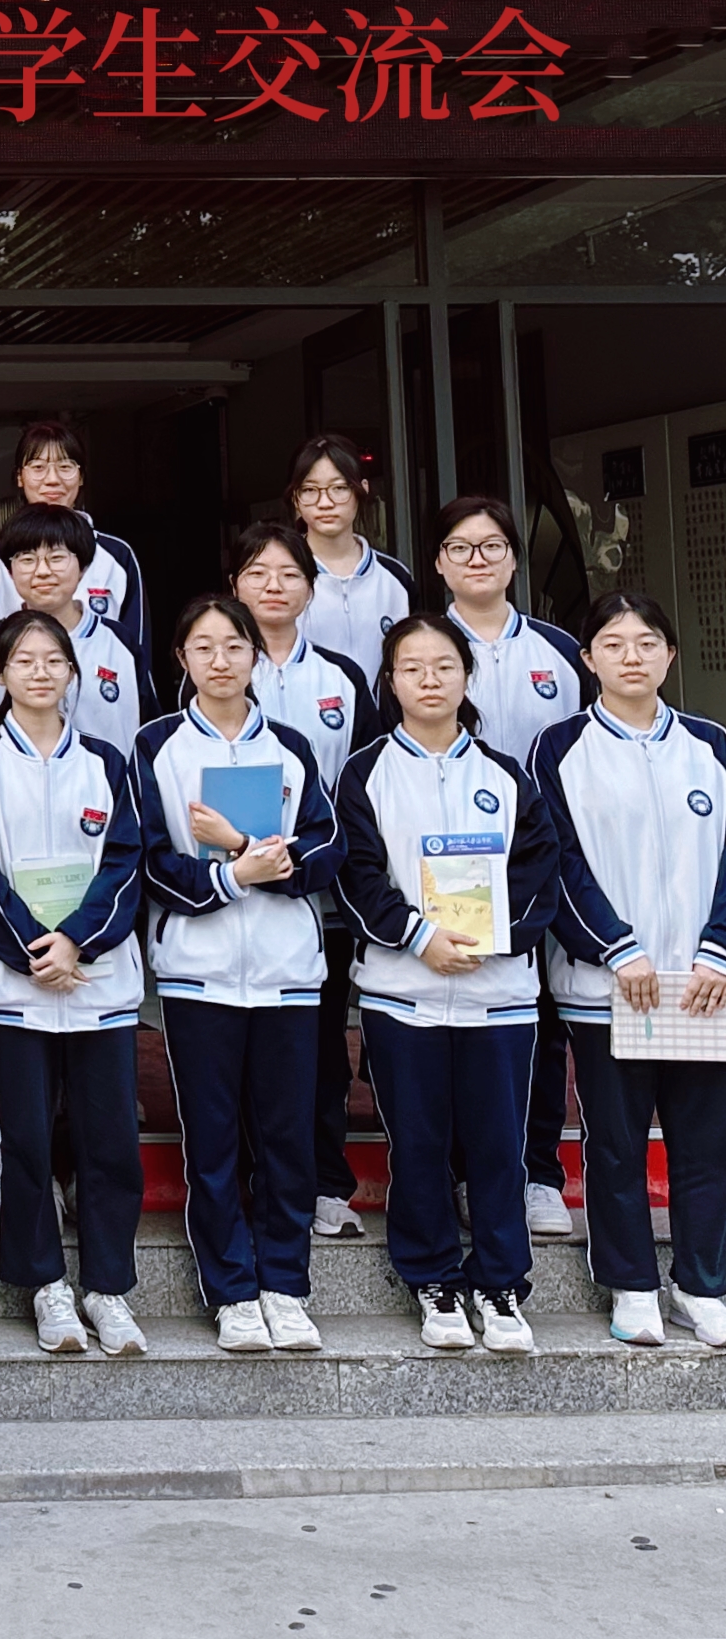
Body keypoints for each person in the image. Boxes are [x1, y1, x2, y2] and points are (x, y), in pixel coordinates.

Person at [335, 615, 560, 1354]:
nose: (428, 680)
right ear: (390, 681)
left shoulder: (506, 775)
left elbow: (538, 872)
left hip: (498, 996)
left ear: (466, 677)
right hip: (403, 992)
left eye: (443, 666)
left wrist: (488, 937)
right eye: (411, 667)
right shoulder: (364, 772)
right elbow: (357, 872)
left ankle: (500, 1283)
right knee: (419, 1143)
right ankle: (431, 1276)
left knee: (498, 1147)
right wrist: (419, 936)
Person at [133, 596, 344, 1354]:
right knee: (213, 1142)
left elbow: (327, 846)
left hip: (287, 972)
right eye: (203, 647)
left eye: (233, 645)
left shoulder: (290, 745)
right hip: (198, 974)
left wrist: (245, 849)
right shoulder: (156, 745)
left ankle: (285, 1285)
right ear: (181, 659)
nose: (219, 660)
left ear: (256, 655)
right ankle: (230, 1291)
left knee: (286, 1139)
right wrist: (232, 875)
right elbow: (150, 858)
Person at [531, 592, 726, 1349]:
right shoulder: (559, 748)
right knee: (614, 1143)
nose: (631, 657)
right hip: (607, 988)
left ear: (670, 655)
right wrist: (614, 946)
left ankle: (702, 1283)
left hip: (700, 987)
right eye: (612, 644)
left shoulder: (710, 745)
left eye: (646, 642)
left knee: (704, 1143)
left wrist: (716, 948)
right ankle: (632, 1283)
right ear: (587, 659)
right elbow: (556, 861)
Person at [0, 611, 148, 1358]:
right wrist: (34, 949)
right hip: (14, 985)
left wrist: (76, 941)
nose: (39, 671)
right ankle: (44, 1284)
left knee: (110, 1142)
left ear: (72, 672)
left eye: (52, 659)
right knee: (28, 1141)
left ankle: (107, 1285)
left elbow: (125, 860)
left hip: (98, 981)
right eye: (23, 660)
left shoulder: (106, 760)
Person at [435, 493, 596, 1243]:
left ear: (512, 559)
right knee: (454, 1023)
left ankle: (537, 1173)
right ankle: (467, 1170)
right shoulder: (422, 647)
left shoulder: (560, 652)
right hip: (448, 863)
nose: (477, 559)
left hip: (542, 859)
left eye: (491, 546)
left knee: (540, 1022)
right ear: (440, 563)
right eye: (461, 547)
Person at [227, 522, 380, 1244]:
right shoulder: (218, 665)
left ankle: (323, 1182)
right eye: (257, 573)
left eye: (289, 574)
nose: (273, 586)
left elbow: (365, 781)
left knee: (319, 1048)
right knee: (240, 1046)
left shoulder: (341, 678)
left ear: (310, 588)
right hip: (234, 893)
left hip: (325, 899)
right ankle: (250, 1177)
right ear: (235, 585)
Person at [0, 504, 151, 751]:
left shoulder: (119, 641)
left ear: (83, 568)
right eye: (27, 559)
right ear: (10, 572)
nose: (43, 571)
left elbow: (147, 734)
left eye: (57, 558)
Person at [0, 420, 149, 675]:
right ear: (19, 477)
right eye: (38, 467)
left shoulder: (117, 555)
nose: (52, 480)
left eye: (65, 467)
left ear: (81, 476)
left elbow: (135, 650)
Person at [289, 434, 412, 687]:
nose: (325, 503)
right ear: (295, 499)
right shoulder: (281, 577)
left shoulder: (395, 577)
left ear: (362, 489)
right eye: (310, 490)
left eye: (340, 488)